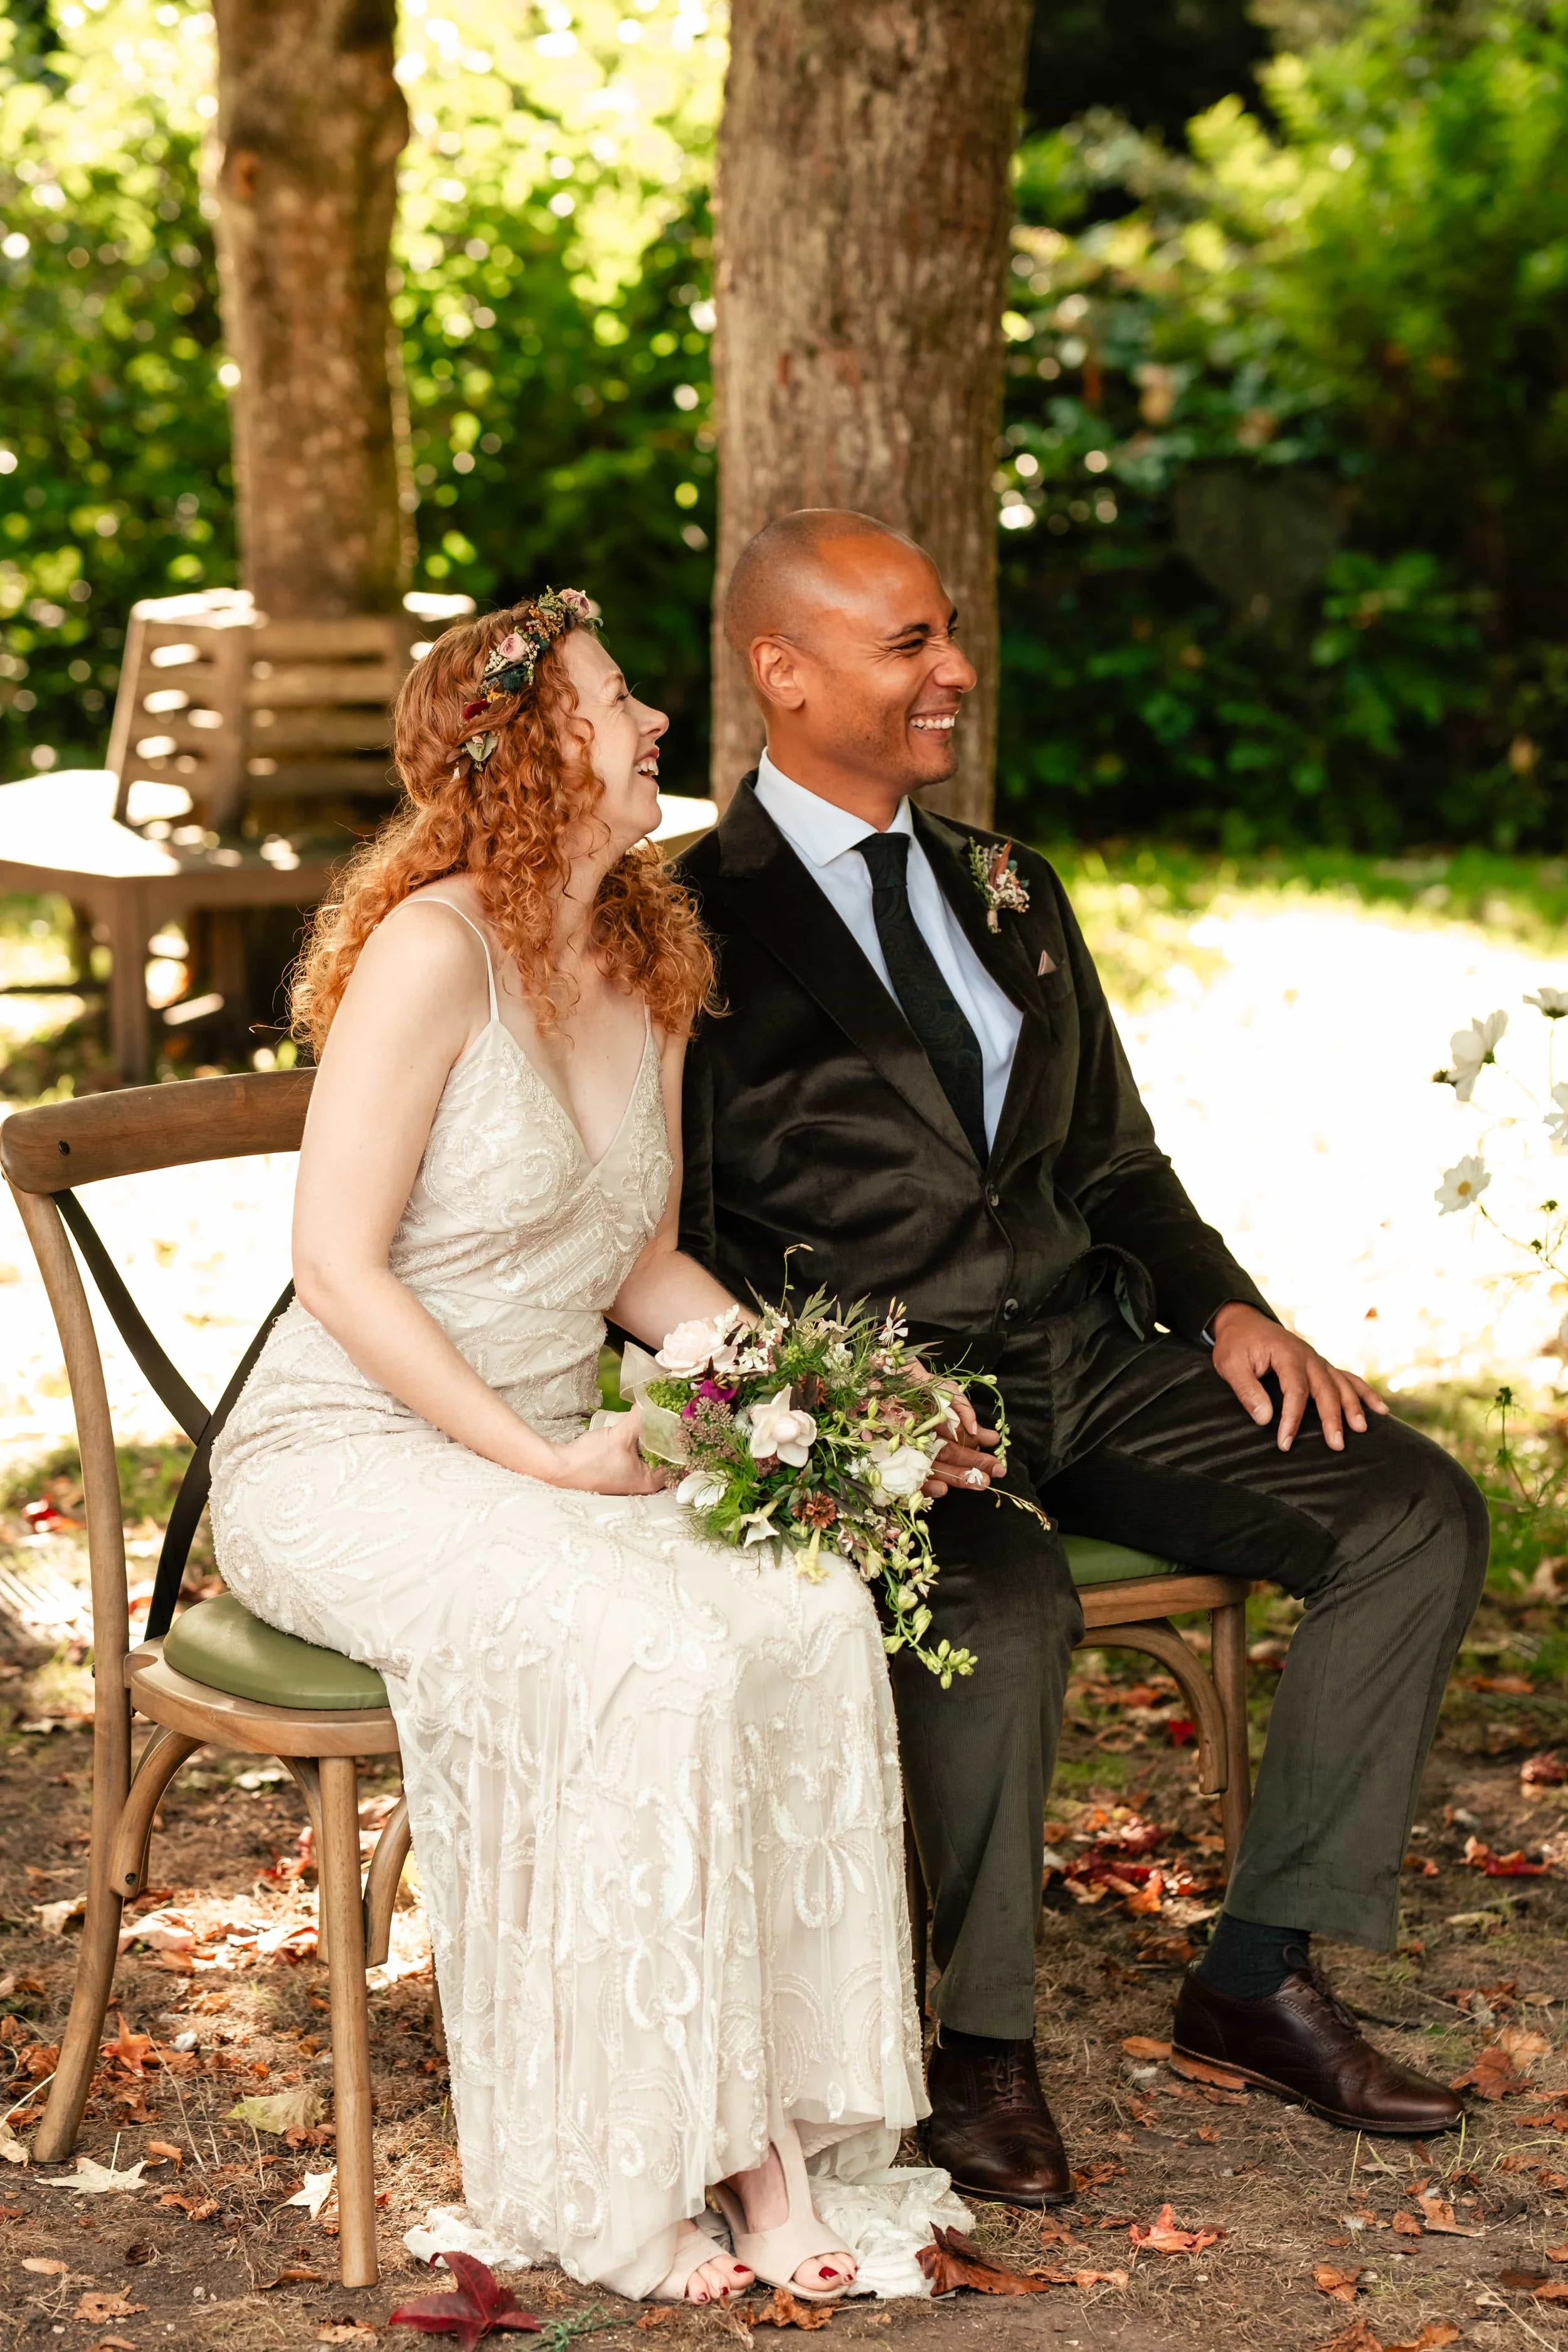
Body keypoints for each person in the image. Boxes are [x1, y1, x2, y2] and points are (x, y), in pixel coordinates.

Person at [676, 510, 1491, 2204]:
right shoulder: (684, 923)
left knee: (1408, 1509)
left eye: (946, 632)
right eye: (909, 643)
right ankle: (973, 2048)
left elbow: (1112, 1165)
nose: (953, 669)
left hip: (1081, 1353)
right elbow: (661, 1229)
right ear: (781, 669)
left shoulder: (1010, 883)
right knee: (1002, 1603)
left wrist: (1225, 1310)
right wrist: (825, 1410)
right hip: (876, 1395)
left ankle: (1254, 1972)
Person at [208, 590, 959, 2302]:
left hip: (546, 1439)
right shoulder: (430, 949)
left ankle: (777, 2128)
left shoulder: (647, 957)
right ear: (537, 748)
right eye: (620, 703)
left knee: (808, 1609)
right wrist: (540, 1468)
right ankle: (693, 2167)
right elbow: (336, 1266)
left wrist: (812, 1401)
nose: (649, 730)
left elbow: (637, 1264)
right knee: (658, 1648)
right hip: (349, 1454)